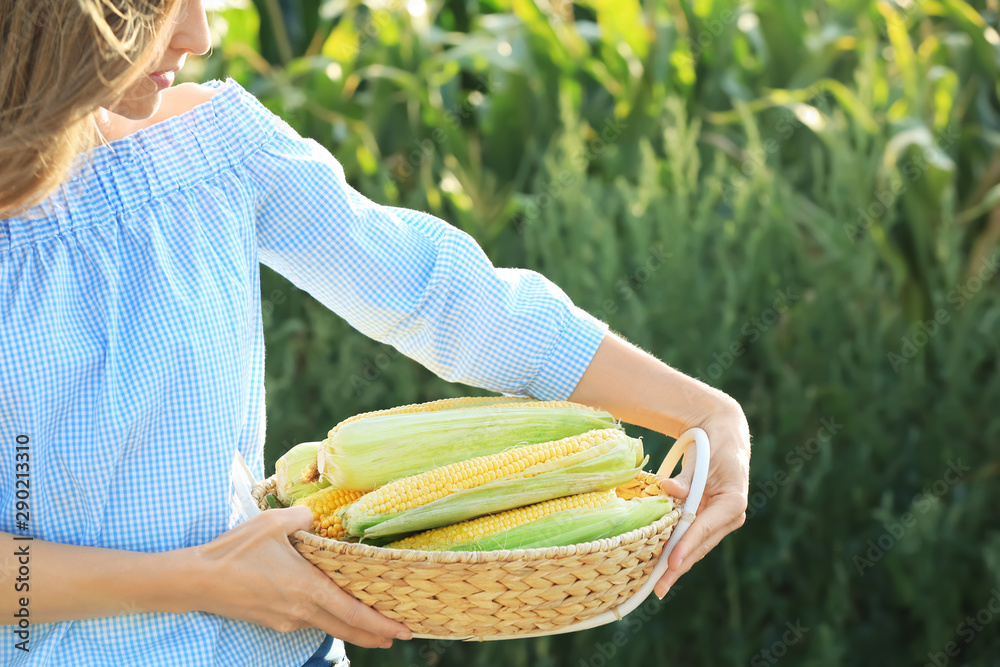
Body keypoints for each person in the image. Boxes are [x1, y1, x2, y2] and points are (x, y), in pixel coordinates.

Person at [0, 1, 751, 665]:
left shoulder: (212, 146)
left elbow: (445, 294)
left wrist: (706, 412)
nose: (197, 33)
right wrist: (198, 578)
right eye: (156, 5)